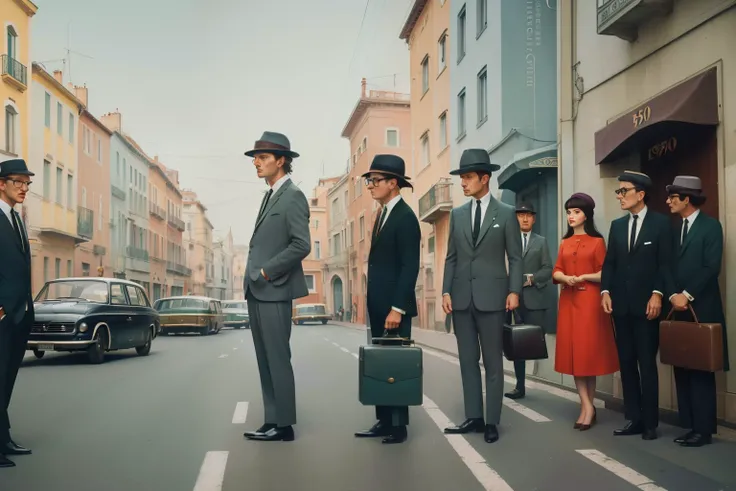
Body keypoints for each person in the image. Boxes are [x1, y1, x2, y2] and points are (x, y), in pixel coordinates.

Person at [441, 149, 522, 444]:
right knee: (466, 361)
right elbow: (451, 257)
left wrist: (514, 291)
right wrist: (445, 290)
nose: (462, 183)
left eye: (468, 177)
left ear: (485, 178)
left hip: (493, 298)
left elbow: (515, 257)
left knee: (492, 363)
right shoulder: (457, 215)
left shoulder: (507, 214)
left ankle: (491, 421)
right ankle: (474, 416)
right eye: (461, 177)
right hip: (461, 298)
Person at [241, 131, 311, 442]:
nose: (256, 163)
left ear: (281, 161)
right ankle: (272, 420)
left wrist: (267, 271)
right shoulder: (270, 195)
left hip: (274, 288)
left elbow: (301, 245)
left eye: (263, 158)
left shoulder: (292, 195)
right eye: (256, 158)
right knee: (265, 359)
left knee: (278, 358)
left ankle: (284, 425)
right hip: (257, 290)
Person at [601, 171, 675, 441]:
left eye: (624, 191)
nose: (620, 196)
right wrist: (605, 291)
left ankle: (651, 423)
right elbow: (610, 263)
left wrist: (658, 294)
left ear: (640, 194)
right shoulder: (617, 226)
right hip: (621, 306)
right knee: (627, 363)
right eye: (618, 192)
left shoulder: (661, 224)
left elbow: (665, 264)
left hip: (647, 307)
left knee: (647, 363)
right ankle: (634, 418)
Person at [354, 154, 420, 445]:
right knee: (382, 364)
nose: (370, 185)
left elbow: (409, 267)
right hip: (378, 305)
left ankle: (398, 427)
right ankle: (383, 420)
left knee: (396, 366)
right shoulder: (382, 213)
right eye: (369, 180)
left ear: (393, 183)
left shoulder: (405, 217)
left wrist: (397, 308)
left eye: (375, 180)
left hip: (394, 306)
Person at [666, 175, 729, 447]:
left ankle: (703, 430)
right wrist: (672, 294)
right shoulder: (674, 229)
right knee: (681, 366)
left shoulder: (711, 227)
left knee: (702, 368)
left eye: (673, 197)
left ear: (686, 199)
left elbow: (710, 267)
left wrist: (686, 295)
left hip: (701, 307)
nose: (667, 201)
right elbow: (665, 267)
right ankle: (688, 425)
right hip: (677, 307)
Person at [553, 193, 619, 431]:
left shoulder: (597, 242)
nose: (571, 216)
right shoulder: (564, 242)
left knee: (587, 356)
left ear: (586, 215)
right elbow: (556, 271)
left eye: (576, 212)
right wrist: (566, 278)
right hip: (568, 303)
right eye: (569, 212)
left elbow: (607, 273)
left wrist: (583, 277)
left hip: (590, 303)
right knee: (574, 356)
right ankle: (587, 406)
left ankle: (587, 408)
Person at [0, 158, 35, 468]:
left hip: (20, 314)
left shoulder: (17, 218)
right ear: (1, 183)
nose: (24, 188)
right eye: (18, 182)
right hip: (1, 314)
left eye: (27, 184)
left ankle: (3, 438)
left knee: (6, 379)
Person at [505, 202, 553, 400]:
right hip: (510, 298)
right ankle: (519, 385)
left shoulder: (541, 242)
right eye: (521, 215)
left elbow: (548, 269)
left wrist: (532, 278)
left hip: (533, 298)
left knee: (528, 342)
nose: (524, 219)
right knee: (513, 342)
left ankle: (525, 381)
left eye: (528, 215)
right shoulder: (507, 240)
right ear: (515, 218)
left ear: (534, 219)